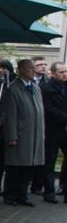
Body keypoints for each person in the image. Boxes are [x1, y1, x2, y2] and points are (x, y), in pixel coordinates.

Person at [0, 58, 45, 206]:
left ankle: (22, 195)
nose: (34, 71)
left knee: (28, 167)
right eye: (31, 68)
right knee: (15, 167)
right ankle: (10, 195)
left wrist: (41, 133)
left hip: (34, 134)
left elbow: (40, 112)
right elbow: (10, 115)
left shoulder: (35, 88)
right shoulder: (13, 88)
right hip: (21, 134)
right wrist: (12, 136)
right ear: (22, 70)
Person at [39, 61, 67, 203]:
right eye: (61, 72)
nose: (64, 74)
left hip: (65, 130)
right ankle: (49, 191)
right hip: (53, 130)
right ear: (54, 73)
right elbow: (48, 109)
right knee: (50, 161)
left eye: (66, 72)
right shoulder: (46, 89)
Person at [0, 59, 15, 194]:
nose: (2, 71)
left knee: (2, 159)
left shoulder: (11, 85)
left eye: (6, 68)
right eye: (0, 68)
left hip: (6, 126)